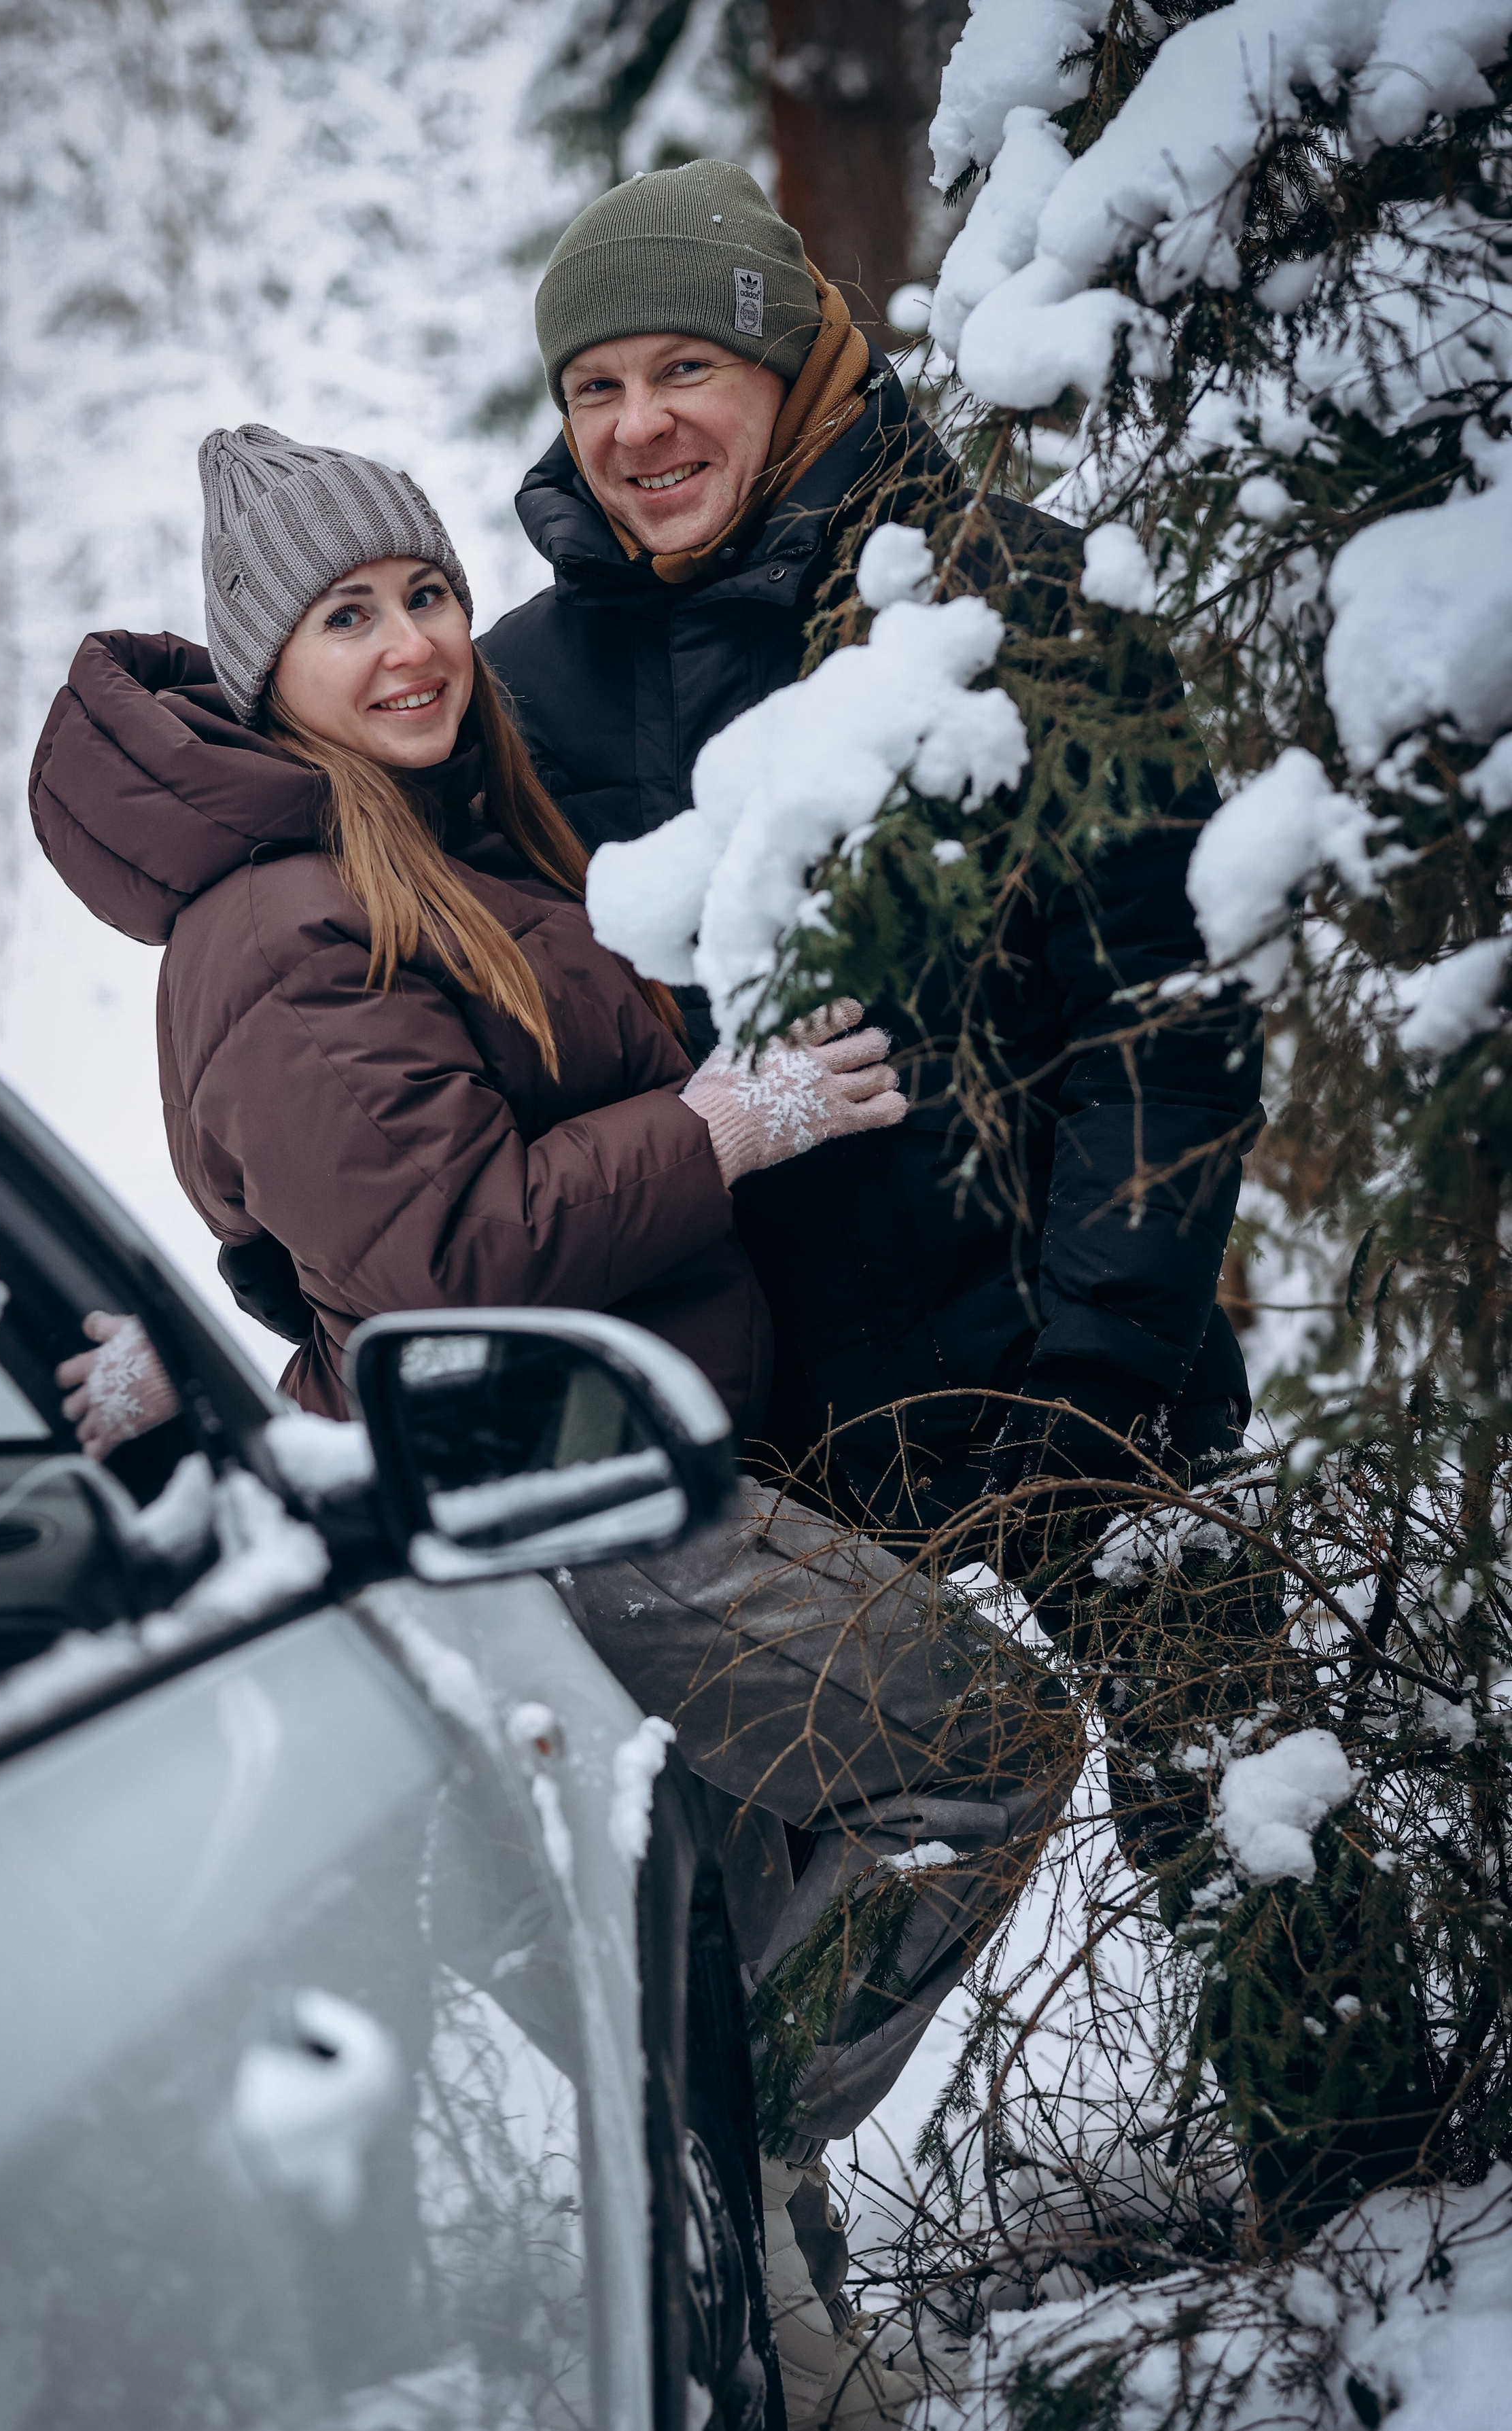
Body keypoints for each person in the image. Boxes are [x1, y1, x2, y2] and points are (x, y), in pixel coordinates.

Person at [31, 425, 1069, 2431]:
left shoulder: (426, 841)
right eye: (349, 619)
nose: (415, 644)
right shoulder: (279, 919)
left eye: (423, 592)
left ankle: (754, 2289)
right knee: (982, 1746)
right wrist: (724, 1127)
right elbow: (435, 1254)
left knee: (733, 1888)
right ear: (267, 672)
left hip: (620, 1457)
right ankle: (728, 2151)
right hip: (535, 1489)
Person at [477, 158, 1263, 1558]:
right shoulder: (514, 695)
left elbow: (1162, 1020)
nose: (635, 425)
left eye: (683, 367)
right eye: (591, 387)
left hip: (1091, 1432)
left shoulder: (1012, 600)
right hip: (765, 1509)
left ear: (792, 366)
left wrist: (1095, 1382)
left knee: (1202, 1782)